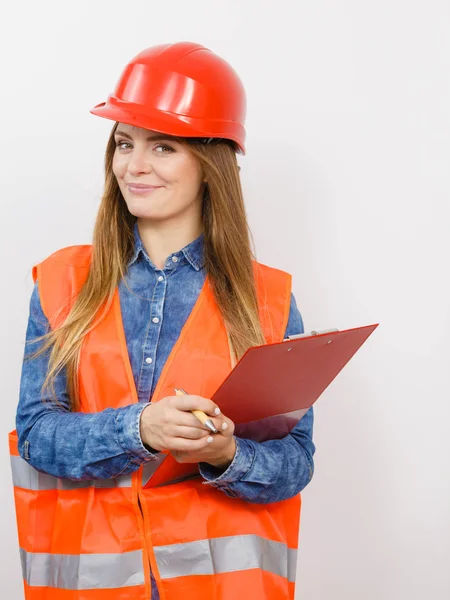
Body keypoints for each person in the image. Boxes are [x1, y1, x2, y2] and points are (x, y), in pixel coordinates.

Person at [10, 41, 315, 600]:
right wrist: (138, 429)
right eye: (124, 144)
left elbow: (294, 463)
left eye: (163, 146)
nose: (134, 165)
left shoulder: (267, 297)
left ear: (211, 163)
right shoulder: (61, 282)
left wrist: (227, 455)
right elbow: (35, 435)